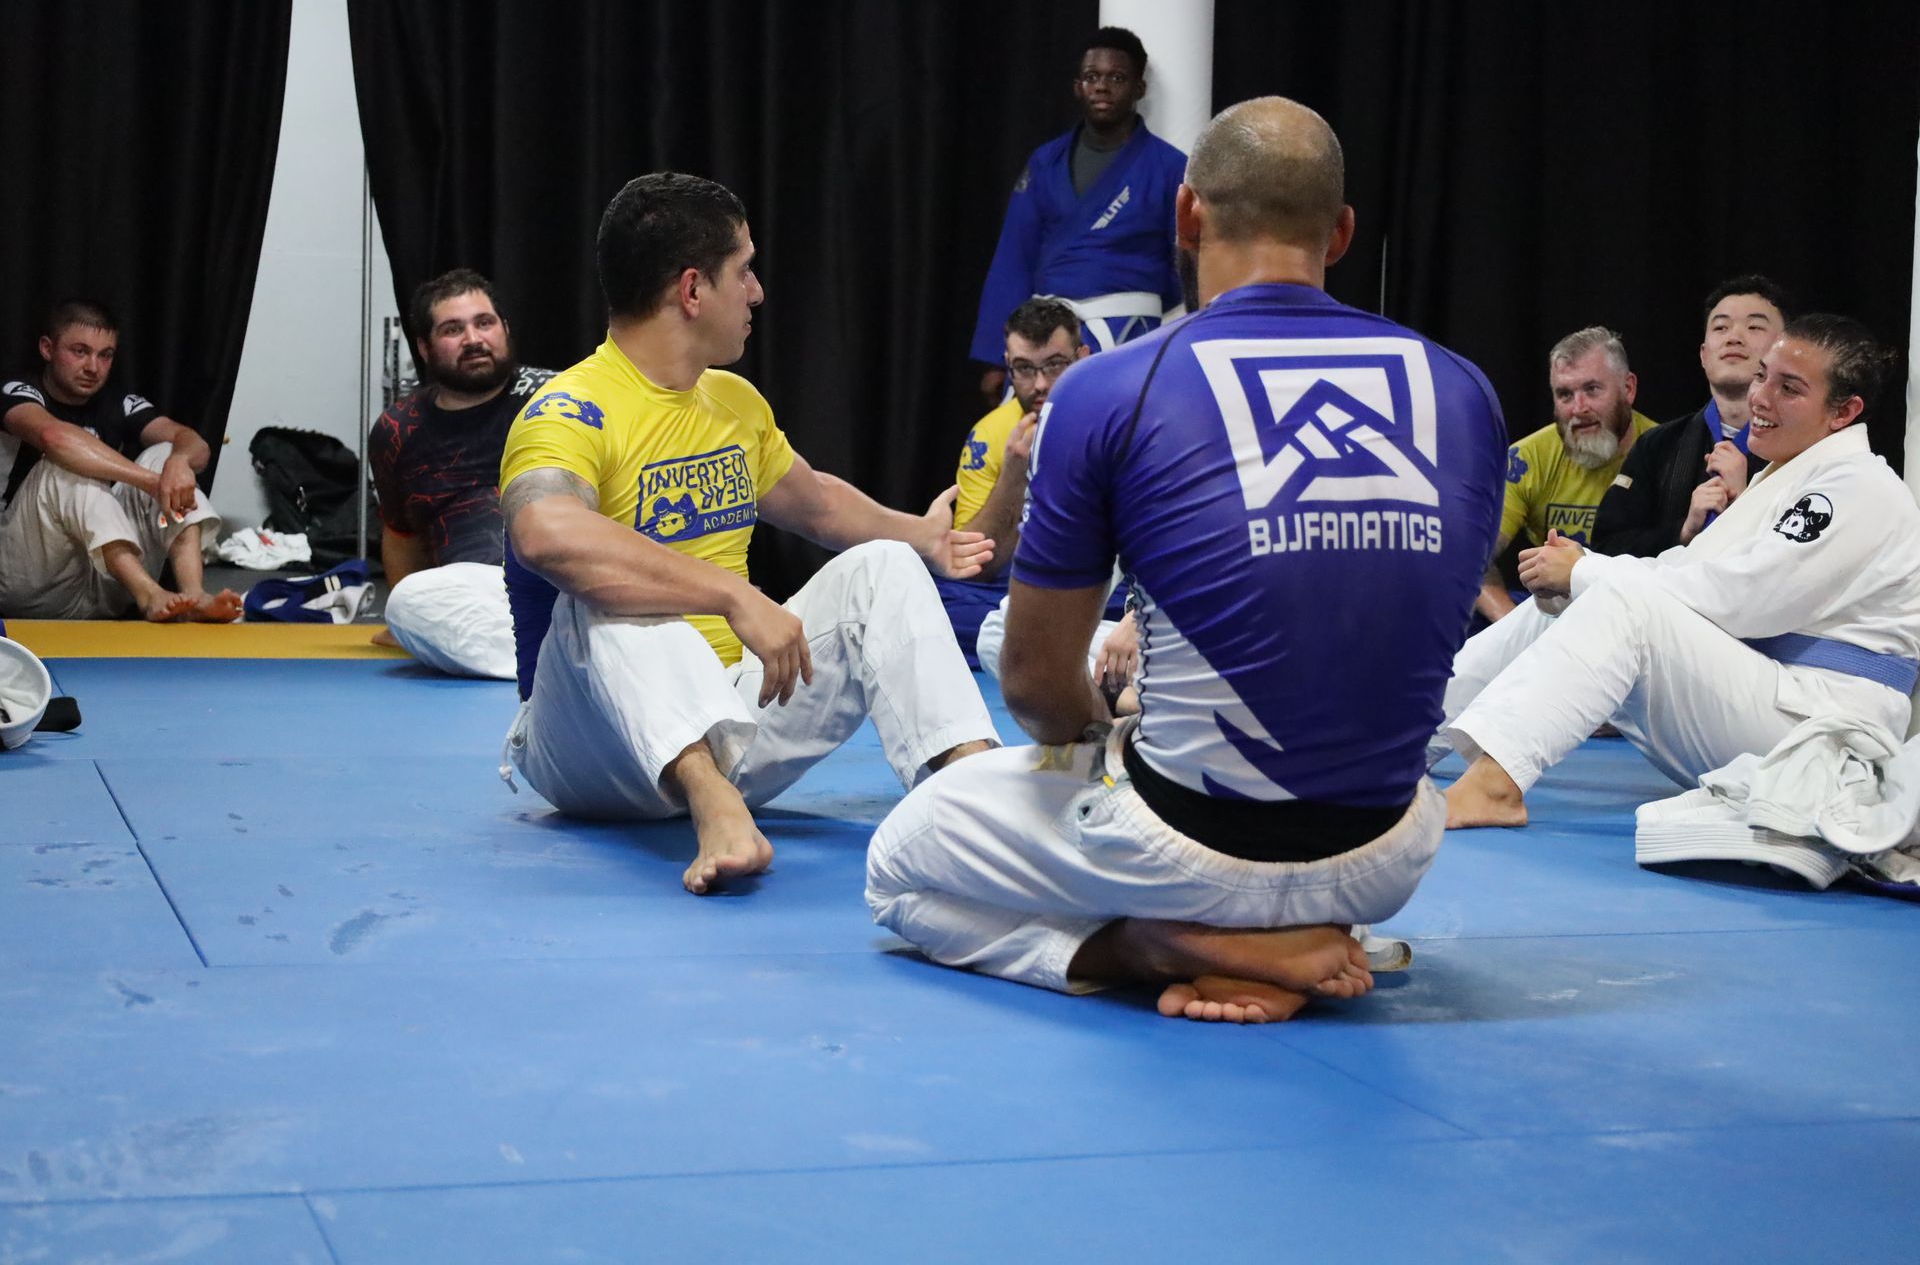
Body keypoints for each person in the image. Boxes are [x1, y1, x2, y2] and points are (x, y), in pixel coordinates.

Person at [867, 97, 1507, 1023]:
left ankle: (1155, 943)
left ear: (1185, 215)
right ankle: (1289, 933)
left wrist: (1106, 734)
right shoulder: (1465, 388)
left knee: (899, 870)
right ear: (1341, 234)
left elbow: (1041, 694)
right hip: (1390, 857)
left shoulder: (1105, 388)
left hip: (1188, 850)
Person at [499, 173, 1001, 895]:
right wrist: (733, 594)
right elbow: (544, 533)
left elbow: (818, 504)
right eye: (745, 270)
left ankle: (970, 785)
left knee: (884, 566)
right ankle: (713, 805)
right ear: (693, 290)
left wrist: (922, 537)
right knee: (607, 598)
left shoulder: (732, 400)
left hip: (730, 713)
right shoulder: (569, 408)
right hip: (589, 750)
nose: (758, 293)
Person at [1443, 315, 1920, 830]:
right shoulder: (1787, 478)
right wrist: (1582, 576)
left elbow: (1740, 601)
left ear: (1843, 412)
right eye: (1763, 376)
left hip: (1821, 728)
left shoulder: (1856, 487)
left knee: (1620, 602)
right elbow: (1682, 569)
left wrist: (1586, 572)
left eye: (1790, 388)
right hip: (1769, 699)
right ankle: (1399, 737)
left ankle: (1496, 786)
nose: (1761, 397)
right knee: (1586, 598)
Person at [969, 26, 1187, 406]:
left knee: (1120, 443)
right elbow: (1014, 258)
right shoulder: (1045, 162)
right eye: (1092, 77)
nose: (1102, 87)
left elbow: (1185, 261)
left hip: (1131, 335)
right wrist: (994, 356)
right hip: (1044, 337)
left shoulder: (1170, 167)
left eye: (1116, 78)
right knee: (1032, 447)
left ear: (1139, 89)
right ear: (1077, 86)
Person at [0, 300, 238, 622]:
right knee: (66, 465)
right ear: (47, 348)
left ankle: (193, 595)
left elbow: (195, 444)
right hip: (30, 581)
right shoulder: (19, 391)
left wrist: (178, 463)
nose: (93, 367)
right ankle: (150, 594)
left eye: (105, 355)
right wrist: (153, 482)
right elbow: (54, 438)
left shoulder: (119, 402)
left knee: (166, 455)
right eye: (80, 351)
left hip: (101, 580)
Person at [368, 269, 555, 678]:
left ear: (505, 328)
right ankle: (551, 658)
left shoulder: (558, 398)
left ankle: (548, 650)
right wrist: (408, 621)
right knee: (405, 602)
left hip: (563, 579)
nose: (473, 339)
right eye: (453, 329)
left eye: (484, 323)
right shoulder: (396, 430)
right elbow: (401, 536)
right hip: (475, 594)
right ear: (424, 347)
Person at [1591, 275, 1789, 555]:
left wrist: (1744, 503)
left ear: (1784, 349)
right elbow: (1606, 547)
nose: (1734, 337)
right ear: (1703, 355)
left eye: (1754, 326)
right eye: (1720, 327)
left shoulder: (1801, 450)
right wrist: (1683, 532)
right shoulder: (1657, 445)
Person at [940, 296, 1086, 664]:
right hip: (1017, 592)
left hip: (1099, 588)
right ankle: (1070, 648)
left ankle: (1043, 643)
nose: (1039, 385)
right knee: (933, 600)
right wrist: (1015, 474)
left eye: (1054, 366)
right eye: (1024, 368)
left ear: (1082, 358)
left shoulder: (1118, 417)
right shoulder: (990, 434)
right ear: (1007, 366)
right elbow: (973, 569)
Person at [1475, 328, 1655, 623]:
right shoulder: (1526, 459)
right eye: (1565, 394)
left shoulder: (1669, 451)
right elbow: (1472, 559)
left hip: (1638, 611)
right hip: (1550, 611)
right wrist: (1513, 631)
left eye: (1592, 389)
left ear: (1628, 389)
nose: (1578, 408)